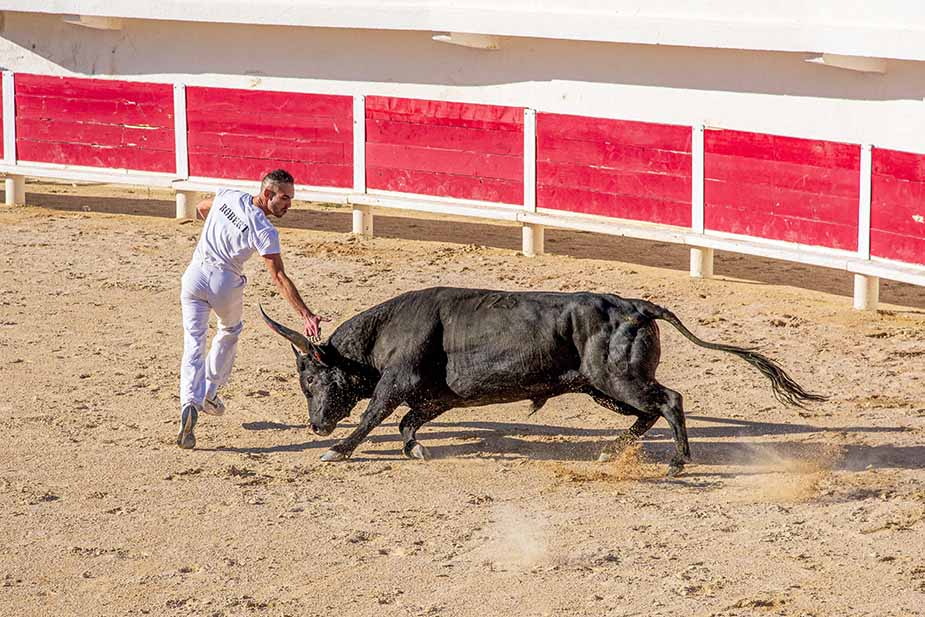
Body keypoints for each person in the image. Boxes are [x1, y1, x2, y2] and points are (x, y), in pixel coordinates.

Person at [177, 169, 323, 449]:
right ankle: (209, 393)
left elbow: (201, 208)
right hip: (225, 281)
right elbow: (279, 277)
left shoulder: (229, 195)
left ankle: (189, 403)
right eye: (284, 198)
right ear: (267, 194)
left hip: (194, 274)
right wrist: (305, 314)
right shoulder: (265, 230)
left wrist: (220, 229)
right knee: (229, 330)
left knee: (193, 342)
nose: (289, 204)